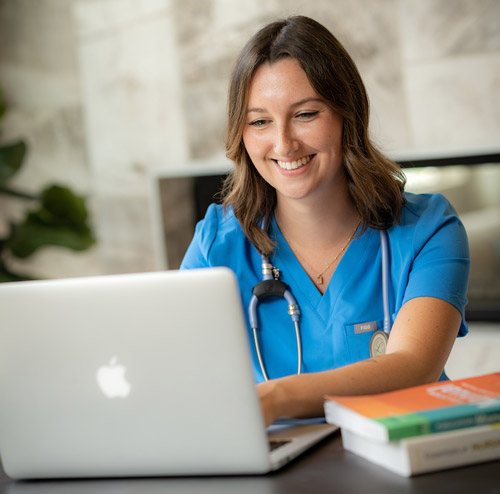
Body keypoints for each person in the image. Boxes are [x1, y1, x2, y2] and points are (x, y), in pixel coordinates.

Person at [181, 15, 470, 426]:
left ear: (346, 115)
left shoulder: (429, 230)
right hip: (280, 475)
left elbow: (413, 365)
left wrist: (273, 399)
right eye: (260, 121)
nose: (283, 144)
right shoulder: (216, 244)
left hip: (403, 466)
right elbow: (177, 370)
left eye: (306, 114)